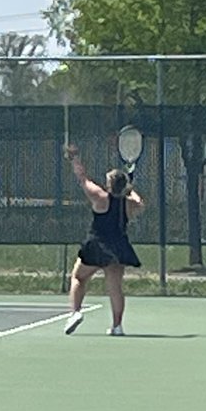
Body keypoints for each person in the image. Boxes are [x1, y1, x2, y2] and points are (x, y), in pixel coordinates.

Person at [63, 143, 145, 336]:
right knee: (115, 288)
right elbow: (140, 203)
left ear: (109, 184)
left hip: (96, 245)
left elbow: (82, 179)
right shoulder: (129, 203)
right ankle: (117, 326)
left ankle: (75, 312)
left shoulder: (99, 197)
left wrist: (75, 158)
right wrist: (130, 189)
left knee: (78, 277)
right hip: (118, 247)